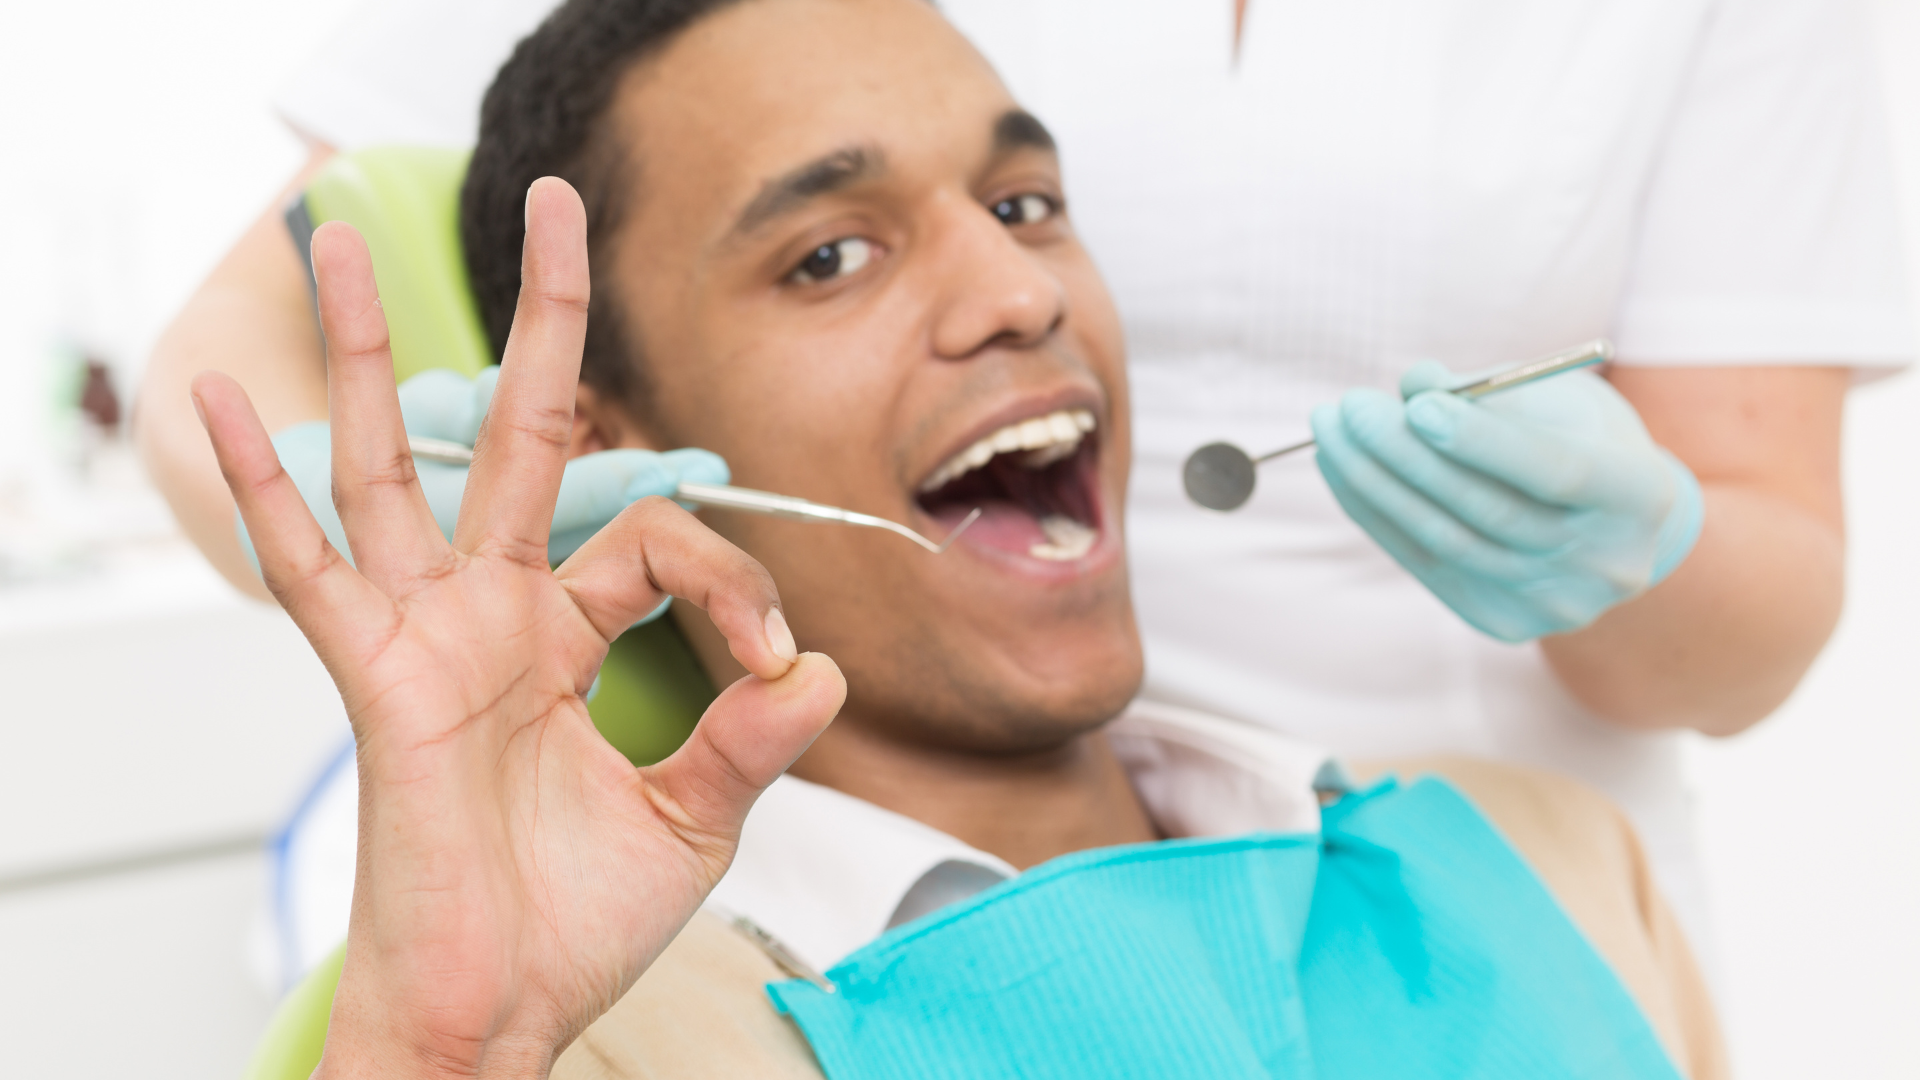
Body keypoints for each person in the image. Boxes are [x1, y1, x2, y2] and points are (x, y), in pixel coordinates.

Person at [136, 0, 1911, 954]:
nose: (1019, 296)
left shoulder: (1559, 913)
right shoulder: (666, 1028)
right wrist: (349, 512)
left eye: (1028, 206)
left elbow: (1757, 595)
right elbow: (252, 329)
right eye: (832, 257)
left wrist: (1648, 556)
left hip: (1456, 945)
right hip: (846, 916)